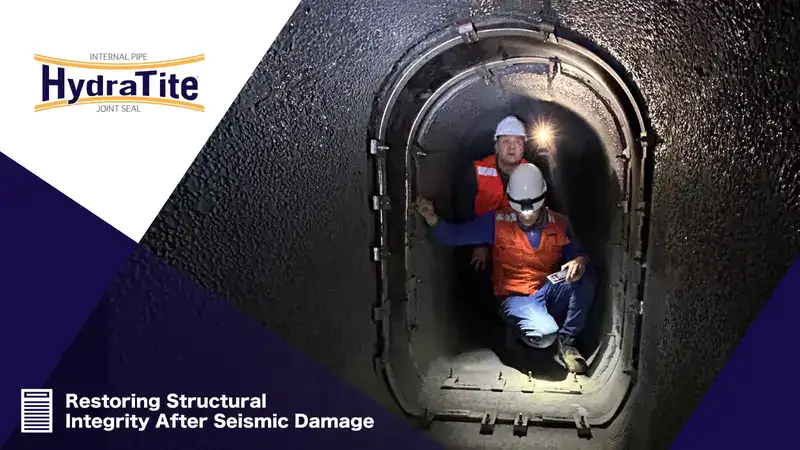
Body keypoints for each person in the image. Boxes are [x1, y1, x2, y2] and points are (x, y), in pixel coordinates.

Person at [416, 163, 597, 374]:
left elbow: (578, 254)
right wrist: (431, 217)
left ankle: (567, 341)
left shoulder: (560, 223)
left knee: (586, 278)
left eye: (532, 209)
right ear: (511, 200)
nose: (527, 215)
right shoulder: (496, 221)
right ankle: (520, 333)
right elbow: (455, 236)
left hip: (547, 288)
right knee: (545, 336)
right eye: (521, 209)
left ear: (543, 199)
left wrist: (579, 262)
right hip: (515, 296)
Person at [455, 115, 530, 271]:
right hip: (479, 243)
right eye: (506, 142)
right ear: (496, 146)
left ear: (524, 147)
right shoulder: (476, 171)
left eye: (518, 142)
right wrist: (479, 244)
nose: (512, 147)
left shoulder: (532, 174)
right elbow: (464, 210)